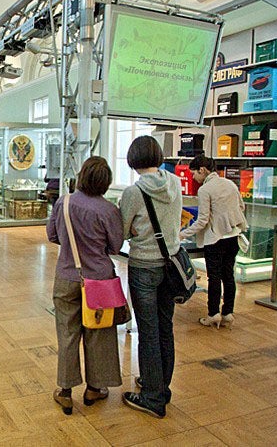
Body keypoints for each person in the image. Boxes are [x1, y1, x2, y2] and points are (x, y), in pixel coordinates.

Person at [47, 156, 124, 415]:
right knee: (99, 334)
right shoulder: (109, 210)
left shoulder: (63, 202)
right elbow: (115, 246)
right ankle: (95, 388)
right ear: (106, 182)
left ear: (81, 176)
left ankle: (66, 391)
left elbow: (52, 235)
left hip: (67, 276)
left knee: (67, 334)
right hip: (99, 280)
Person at [118, 135, 182, 419]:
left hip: (144, 265)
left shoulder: (134, 192)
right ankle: (161, 386)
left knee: (148, 332)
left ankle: (152, 398)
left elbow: (121, 231)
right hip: (170, 265)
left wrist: (134, 232)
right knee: (164, 327)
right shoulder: (175, 182)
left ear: (133, 160)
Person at [181, 155, 247, 329]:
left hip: (215, 239)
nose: (193, 177)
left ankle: (213, 314)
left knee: (214, 278)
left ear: (202, 170)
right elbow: (241, 207)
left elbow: (202, 221)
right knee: (228, 276)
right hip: (233, 237)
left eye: (194, 173)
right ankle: (228, 313)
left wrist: (182, 234)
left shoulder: (205, 190)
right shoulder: (230, 184)